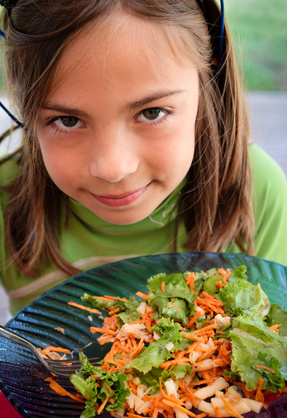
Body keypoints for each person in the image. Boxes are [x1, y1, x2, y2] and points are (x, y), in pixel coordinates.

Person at [0, 0, 286, 318]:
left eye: (152, 113)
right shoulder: (5, 199)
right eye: (67, 120)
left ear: (209, 78)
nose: (113, 168)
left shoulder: (256, 190)